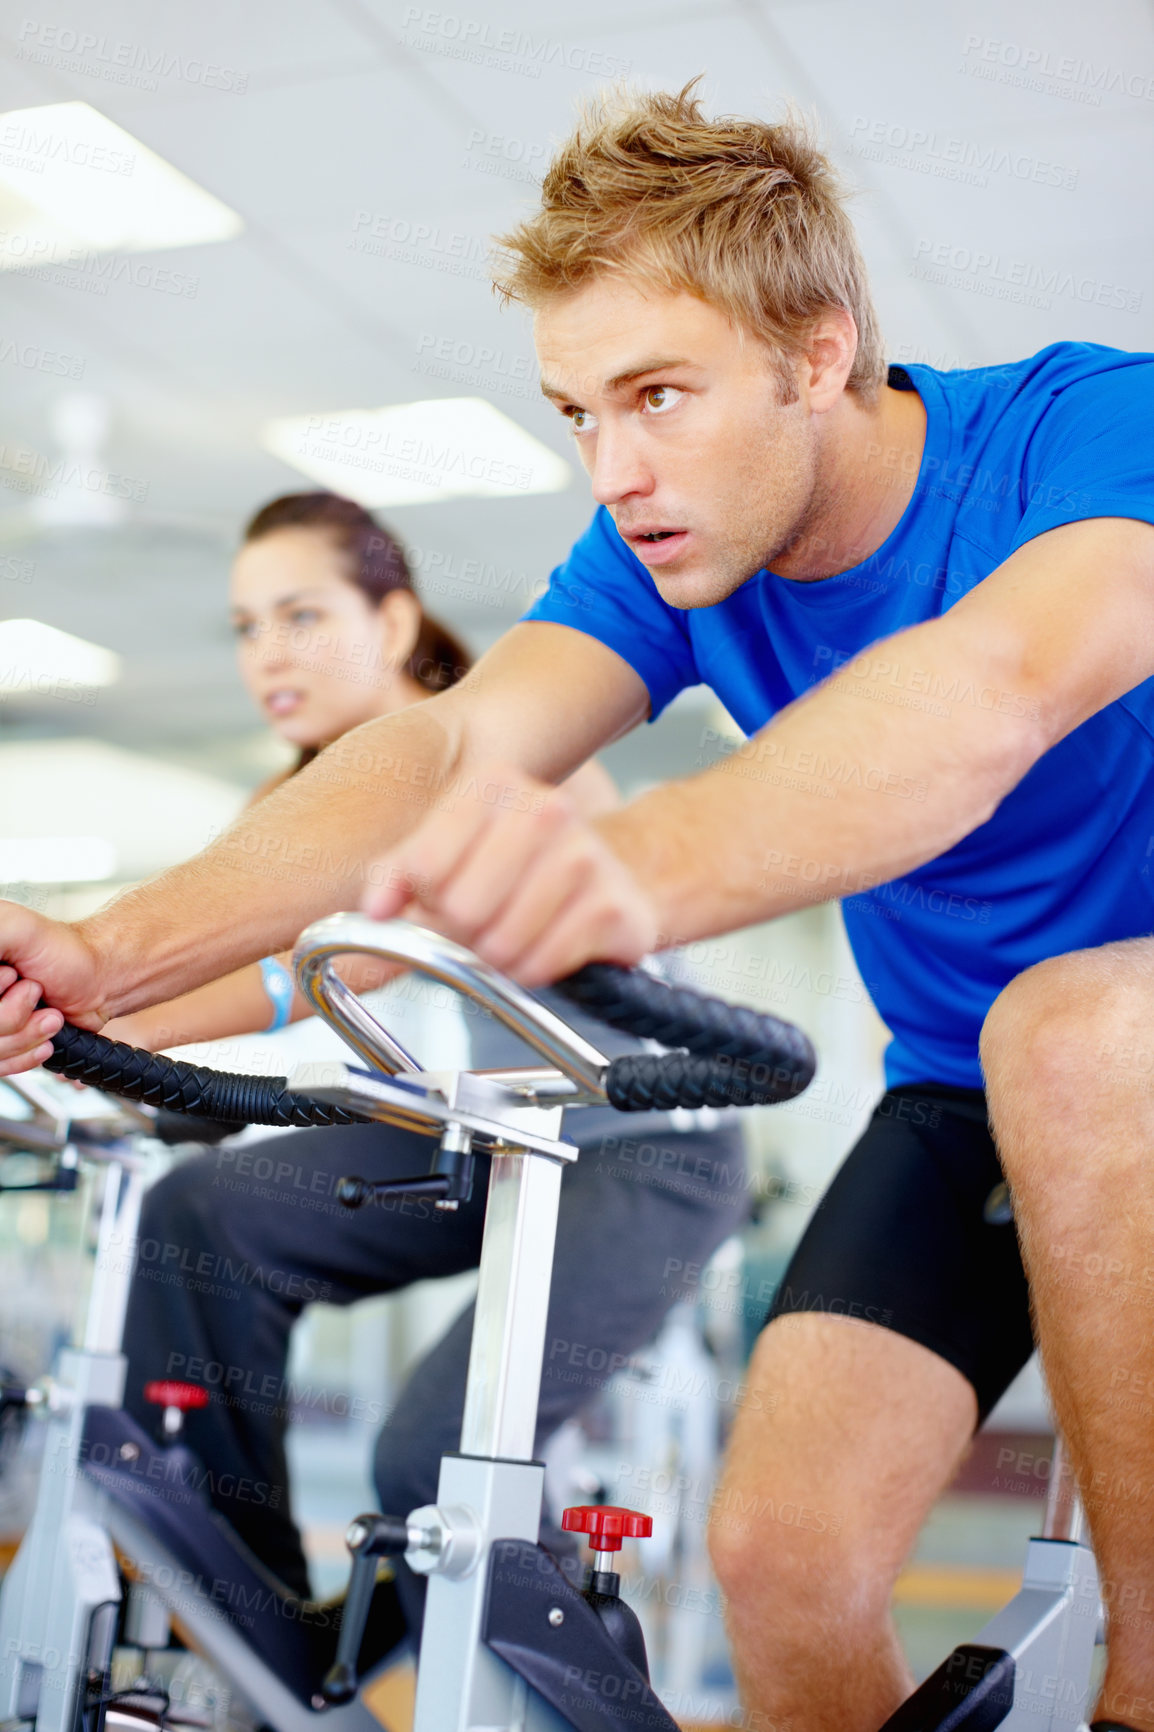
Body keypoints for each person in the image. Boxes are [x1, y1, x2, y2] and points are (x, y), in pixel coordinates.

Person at [2, 82, 1154, 1730]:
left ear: (816, 350)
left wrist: (635, 865)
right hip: (958, 1085)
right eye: (576, 415)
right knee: (778, 1560)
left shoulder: (1083, 431)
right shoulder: (672, 548)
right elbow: (452, 740)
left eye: (658, 396)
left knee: (1067, 1024)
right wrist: (110, 953)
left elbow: (988, 690)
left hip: (1104, 1031)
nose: (614, 469)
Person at [97, 489, 749, 1639]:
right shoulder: (287, 803)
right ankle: (260, 1621)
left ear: (395, 626)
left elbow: (331, 968)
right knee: (198, 1216)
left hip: (646, 1146)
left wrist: (119, 1021)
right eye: (246, 627)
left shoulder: (511, 737)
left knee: (432, 1462)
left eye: (301, 615)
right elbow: (223, 952)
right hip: (501, 1135)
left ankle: (576, 1671)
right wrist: (85, 1017)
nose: (267, 654)